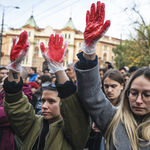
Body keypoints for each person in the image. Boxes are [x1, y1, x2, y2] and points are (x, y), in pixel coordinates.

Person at [74, 1, 150, 149]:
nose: (138, 100)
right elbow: (92, 96)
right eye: (133, 93)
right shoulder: (114, 119)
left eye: (147, 94)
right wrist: (89, 50)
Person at [3, 31, 90, 150]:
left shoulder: (76, 131)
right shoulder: (34, 124)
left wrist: (57, 68)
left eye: (51, 101)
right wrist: (15, 66)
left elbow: (74, 107)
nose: (44, 105)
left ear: (63, 104)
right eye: (43, 100)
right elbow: (15, 105)